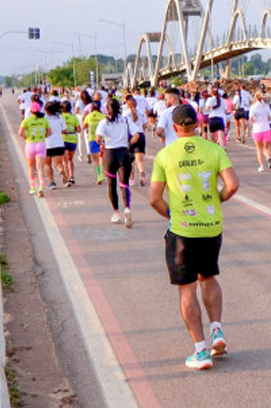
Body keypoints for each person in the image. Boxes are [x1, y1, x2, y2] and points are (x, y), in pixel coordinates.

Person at [148, 104, 239, 370]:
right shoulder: (214, 149)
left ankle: (200, 352)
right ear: (197, 124)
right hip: (212, 226)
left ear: (175, 128)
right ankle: (217, 330)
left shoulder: (165, 155)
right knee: (208, 277)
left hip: (183, 230)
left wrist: (172, 215)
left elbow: (154, 198)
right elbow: (232, 184)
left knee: (186, 288)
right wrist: (216, 201)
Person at [96, 97, 138, 227]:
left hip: (110, 154)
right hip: (123, 153)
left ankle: (116, 212)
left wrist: (103, 144)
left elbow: (98, 138)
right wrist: (128, 143)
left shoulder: (104, 122)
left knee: (111, 184)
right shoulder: (125, 120)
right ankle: (127, 208)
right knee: (124, 184)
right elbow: (137, 135)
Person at [19, 102, 50, 196]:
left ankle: (32, 187)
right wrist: (43, 136)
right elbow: (49, 132)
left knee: (31, 167)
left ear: (31, 111)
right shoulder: (44, 120)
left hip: (30, 145)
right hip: (41, 145)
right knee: (40, 168)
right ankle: (41, 187)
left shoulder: (26, 120)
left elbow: (20, 133)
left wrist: (26, 138)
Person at [44, 100, 68, 189]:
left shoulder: (44, 119)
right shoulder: (59, 118)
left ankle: (52, 182)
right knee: (58, 164)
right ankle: (61, 171)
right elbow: (64, 130)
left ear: (47, 110)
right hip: (59, 143)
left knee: (47, 164)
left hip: (47, 144)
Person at [249, 91, 271, 172]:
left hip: (257, 130)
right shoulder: (266, 106)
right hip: (266, 129)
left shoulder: (253, 107)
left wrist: (254, 121)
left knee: (259, 149)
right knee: (265, 148)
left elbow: (251, 118)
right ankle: (269, 158)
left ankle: (261, 166)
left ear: (256, 98)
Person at [82, 101, 107, 185]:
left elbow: (84, 126)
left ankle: (99, 175)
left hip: (92, 139)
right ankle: (102, 173)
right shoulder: (103, 116)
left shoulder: (89, 116)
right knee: (101, 157)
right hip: (102, 139)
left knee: (95, 159)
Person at [126, 95, 148, 187]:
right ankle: (142, 173)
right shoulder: (141, 112)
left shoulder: (126, 113)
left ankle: (131, 179)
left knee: (129, 159)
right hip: (140, 134)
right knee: (139, 160)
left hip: (131, 136)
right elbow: (146, 124)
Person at [61, 100, 80, 187]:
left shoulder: (60, 117)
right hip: (73, 139)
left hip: (63, 139)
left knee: (65, 160)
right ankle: (71, 176)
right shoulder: (74, 118)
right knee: (70, 159)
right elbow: (79, 130)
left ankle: (68, 178)